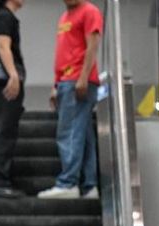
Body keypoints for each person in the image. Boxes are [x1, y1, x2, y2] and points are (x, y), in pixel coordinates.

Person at [38, 0, 103, 200]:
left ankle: (68, 182)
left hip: (78, 80)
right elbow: (64, 52)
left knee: (69, 132)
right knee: (82, 135)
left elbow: (92, 46)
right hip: (67, 80)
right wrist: (56, 84)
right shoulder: (65, 17)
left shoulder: (90, 11)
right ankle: (89, 185)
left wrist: (83, 77)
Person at [0, 0, 26, 199]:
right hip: (5, 82)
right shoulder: (4, 16)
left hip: (0, 80)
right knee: (3, 131)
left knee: (5, 130)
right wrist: (13, 75)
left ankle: (1, 180)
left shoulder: (3, 16)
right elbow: (3, 45)